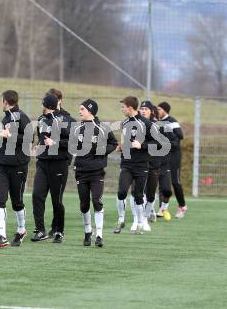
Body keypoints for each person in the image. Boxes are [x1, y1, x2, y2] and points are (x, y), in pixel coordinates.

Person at [73, 99, 117, 247]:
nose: (79, 111)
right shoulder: (77, 128)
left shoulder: (103, 128)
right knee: (84, 204)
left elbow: (113, 143)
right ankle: (87, 232)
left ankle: (99, 235)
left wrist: (102, 150)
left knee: (97, 201)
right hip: (80, 171)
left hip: (97, 171)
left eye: (82, 109)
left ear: (90, 111)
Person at [31, 94, 71, 244]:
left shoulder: (66, 120)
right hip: (42, 163)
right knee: (37, 195)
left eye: (43, 104)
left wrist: (55, 142)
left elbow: (72, 142)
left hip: (58, 163)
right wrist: (38, 145)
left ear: (47, 105)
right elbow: (41, 137)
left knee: (56, 200)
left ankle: (59, 230)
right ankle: (40, 230)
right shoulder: (42, 119)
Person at [0, 90, 31, 248]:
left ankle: (21, 229)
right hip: (2, 165)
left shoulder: (22, 117)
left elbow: (30, 138)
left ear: (6, 101)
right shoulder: (6, 117)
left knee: (17, 201)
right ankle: (2, 235)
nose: (1, 103)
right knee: (0, 199)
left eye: (2, 100)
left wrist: (10, 136)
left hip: (18, 165)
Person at [113, 96, 156, 235]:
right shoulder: (125, 122)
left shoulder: (146, 124)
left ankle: (139, 222)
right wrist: (121, 147)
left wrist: (142, 145)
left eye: (123, 107)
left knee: (138, 195)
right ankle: (121, 219)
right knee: (121, 192)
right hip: (126, 164)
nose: (122, 109)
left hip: (141, 165)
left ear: (130, 108)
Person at [157, 102, 187, 218]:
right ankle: (162, 208)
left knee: (175, 182)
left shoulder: (172, 121)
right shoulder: (158, 122)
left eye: (159, 109)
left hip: (174, 156)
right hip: (163, 156)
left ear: (165, 110)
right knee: (163, 182)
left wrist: (167, 141)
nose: (157, 111)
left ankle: (182, 206)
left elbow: (180, 136)